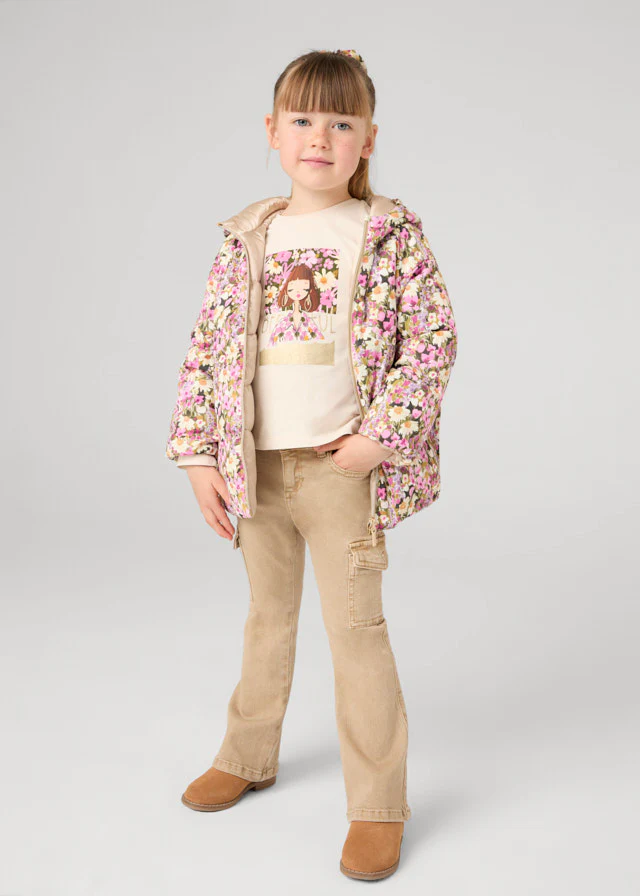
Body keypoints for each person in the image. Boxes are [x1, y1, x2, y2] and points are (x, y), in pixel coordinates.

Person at [165, 47, 458, 881]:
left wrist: (380, 439)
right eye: (301, 120)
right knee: (268, 618)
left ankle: (378, 806)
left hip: (341, 473)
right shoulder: (249, 236)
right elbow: (208, 347)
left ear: (369, 139)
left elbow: (433, 340)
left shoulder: (388, 234)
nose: (319, 138)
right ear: (272, 131)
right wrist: (199, 456)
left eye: (340, 122)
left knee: (355, 633)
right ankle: (247, 754)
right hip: (255, 468)